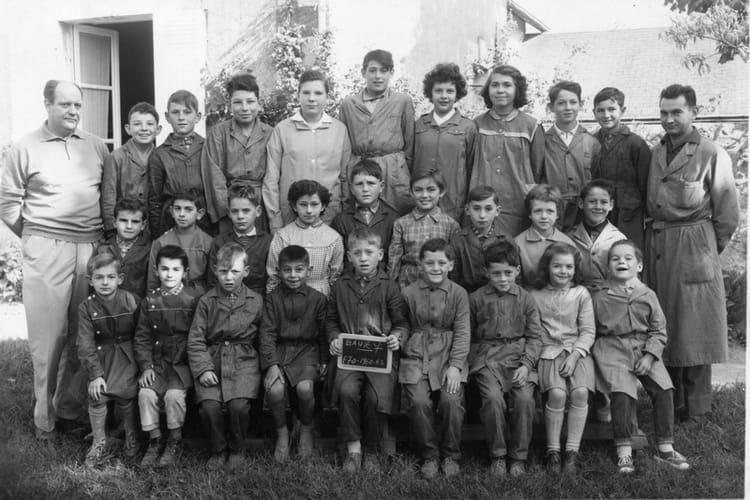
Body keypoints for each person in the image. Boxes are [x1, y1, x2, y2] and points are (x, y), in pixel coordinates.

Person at [0, 79, 109, 440]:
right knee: (48, 339)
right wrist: (36, 238)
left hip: (89, 248)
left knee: (82, 336)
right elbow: (8, 204)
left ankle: (68, 410)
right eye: (65, 104)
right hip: (46, 248)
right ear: (47, 105)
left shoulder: (95, 146)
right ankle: (44, 421)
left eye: (78, 104)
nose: (73, 111)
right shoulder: (25, 147)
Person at [646, 84, 739, 421]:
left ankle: (697, 408)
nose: (669, 119)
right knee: (665, 323)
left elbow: (727, 215)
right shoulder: (657, 151)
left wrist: (706, 249)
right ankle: (671, 401)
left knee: (695, 328)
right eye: (664, 112)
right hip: (659, 246)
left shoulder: (711, 153)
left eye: (677, 112)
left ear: (694, 113)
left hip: (694, 246)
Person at [592, 240, 690, 474]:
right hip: (612, 349)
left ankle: (665, 447)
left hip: (644, 348)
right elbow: (591, 329)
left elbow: (658, 330)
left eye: (628, 258)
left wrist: (649, 356)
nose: (621, 262)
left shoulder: (648, 295)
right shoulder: (599, 296)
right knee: (622, 393)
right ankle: (624, 450)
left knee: (664, 389)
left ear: (639, 266)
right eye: (615, 259)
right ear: (608, 267)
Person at [326, 228, 408, 472]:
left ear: (380, 255)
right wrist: (334, 338)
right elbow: (331, 320)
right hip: (349, 357)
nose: (363, 258)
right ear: (349, 256)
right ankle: (353, 449)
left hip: (379, 357)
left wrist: (396, 337)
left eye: (369, 252)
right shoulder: (340, 286)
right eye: (357, 253)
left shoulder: (389, 286)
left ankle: (372, 449)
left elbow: (401, 322)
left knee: (375, 397)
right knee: (347, 391)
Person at [468, 240, 542, 478]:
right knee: (492, 400)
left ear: (517, 271)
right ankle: (498, 455)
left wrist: (527, 365)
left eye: (508, 273)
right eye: (496, 273)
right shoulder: (476, 298)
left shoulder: (526, 299)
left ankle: (519, 456)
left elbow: (535, 337)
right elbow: (468, 335)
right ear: (486, 272)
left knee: (524, 400)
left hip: (519, 358)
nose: (502, 279)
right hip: (487, 359)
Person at [188, 242, 263, 471]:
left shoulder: (256, 300)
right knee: (209, 406)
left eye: (235, 272)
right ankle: (218, 449)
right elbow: (196, 339)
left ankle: (237, 448)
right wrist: (204, 369)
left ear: (246, 272)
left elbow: (264, 336)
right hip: (213, 358)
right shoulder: (207, 301)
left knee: (238, 406)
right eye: (223, 271)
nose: (228, 277)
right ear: (215, 271)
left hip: (244, 360)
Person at [400, 238, 470, 478]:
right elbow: (402, 325)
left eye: (442, 263)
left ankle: (451, 454)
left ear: (451, 265)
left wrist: (455, 366)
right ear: (420, 265)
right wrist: (398, 340)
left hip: (448, 355)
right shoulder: (408, 293)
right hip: (416, 354)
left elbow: (463, 331)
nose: (436, 268)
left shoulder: (459, 293)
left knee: (451, 401)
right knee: (419, 402)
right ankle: (429, 454)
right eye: (430, 263)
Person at [530, 243, 595, 474]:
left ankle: (572, 451)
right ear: (547, 267)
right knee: (557, 394)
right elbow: (535, 332)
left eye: (568, 266)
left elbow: (588, 330)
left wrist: (575, 355)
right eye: (557, 266)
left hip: (577, 351)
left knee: (580, 392)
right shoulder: (535, 296)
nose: (563, 271)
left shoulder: (581, 294)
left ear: (575, 269)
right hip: (548, 351)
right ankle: (553, 451)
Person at [259, 245, 328, 462]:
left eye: (299, 269)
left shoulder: (318, 299)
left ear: (309, 270)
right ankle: (282, 433)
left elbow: (324, 334)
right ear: (279, 271)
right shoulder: (272, 298)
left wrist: (324, 360)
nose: (293, 275)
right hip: (280, 351)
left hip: (307, 351)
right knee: (275, 390)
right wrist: (271, 365)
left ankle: (306, 428)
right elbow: (267, 334)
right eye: (287, 270)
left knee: (305, 389)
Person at [134, 245, 201, 468]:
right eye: (164, 269)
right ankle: (155, 439)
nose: (169, 274)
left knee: (173, 396)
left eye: (175, 269)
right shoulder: (150, 301)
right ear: (156, 270)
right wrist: (146, 366)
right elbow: (142, 337)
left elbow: (199, 335)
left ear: (185, 272)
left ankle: (174, 440)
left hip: (182, 361)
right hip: (158, 361)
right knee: (145, 393)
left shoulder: (193, 299)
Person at [263, 70, 351, 231]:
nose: (311, 98)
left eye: (318, 93)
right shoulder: (282, 130)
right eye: (306, 93)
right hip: (291, 216)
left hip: (330, 217)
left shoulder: (339, 130)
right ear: (298, 95)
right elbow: (271, 179)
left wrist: (345, 215)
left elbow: (345, 177)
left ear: (327, 97)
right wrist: (275, 219)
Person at [77, 252, 139, 466]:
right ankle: (99, 440)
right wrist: (95, 374)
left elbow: (141, 333)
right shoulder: (86, 307)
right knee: (97, 394)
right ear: (90, 281)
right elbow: (84, 343)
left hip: (127, 355)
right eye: (99, 277)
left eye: (111, 277)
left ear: (120, 279)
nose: (105, 282)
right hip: (101, 355)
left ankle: (131, 435)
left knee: (127, 393)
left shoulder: (130, 300)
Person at [469, 65, 545, 237]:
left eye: (507, 85)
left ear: (517, 89)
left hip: (518, 206)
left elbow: (538, 170)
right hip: (482, 206)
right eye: (495, 85)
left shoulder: (531, 126)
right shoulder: (476, 124)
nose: (500, 90)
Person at [338, 49, 415, 215]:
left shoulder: (402, 101)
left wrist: (403, 170)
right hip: (361, 170)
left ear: (391, 73)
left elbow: (410, 142)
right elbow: (343, 146)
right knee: (362, 217)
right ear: (363, 72)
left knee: (396, 215)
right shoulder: (349, 105)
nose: (378, 76)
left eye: (383, 70)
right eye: (372, 70)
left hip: (393, 171)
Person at [202, 72, 273, 232]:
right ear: (230, 104)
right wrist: (228, 210)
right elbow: (214, 177)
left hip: (261, 205)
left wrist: (271, 210)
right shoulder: (218, 133)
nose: (245, 108)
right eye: (238, 102)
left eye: (250, 101)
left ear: (259, 103)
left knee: (260, 244)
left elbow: (275, 176)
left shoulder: (270, 133)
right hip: (230, 205)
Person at [412, 63, 477, 221]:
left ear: (457, 93)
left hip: (453, 204)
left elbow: (472, 168)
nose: (444, 96)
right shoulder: (418, 125)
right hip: (422, 202)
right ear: (430, 93)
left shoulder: (467, 127)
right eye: (438, 90)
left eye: (450, 91)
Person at [591, 87, 651, 250]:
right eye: (601, 110)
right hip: (600, 208)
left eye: (612, 109)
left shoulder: (635, 143)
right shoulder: (591, 142)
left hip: (629, 212)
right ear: (594, 113)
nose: (606, 115)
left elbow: (646, 183)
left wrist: (647, 215)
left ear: (622, 111)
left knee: (628, 251)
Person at [149, 89, 211, 237]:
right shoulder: (159, 154)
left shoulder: (209, 147)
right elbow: (154, 199)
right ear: (167, 117)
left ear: (197, 117)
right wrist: (157, 234)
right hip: (170, 221)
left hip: (204, 220)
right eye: (175, 112)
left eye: (187, 112)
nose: (181, 117)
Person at [266, 180, 344, 296]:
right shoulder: (283, 236)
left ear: (323, 206)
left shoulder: (333, 238)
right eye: (303, 204)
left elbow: (335, 275)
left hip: (322, 295)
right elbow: (274, 274)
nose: (309, 210)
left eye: (314, 204)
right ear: (294, 206)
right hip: (288, 296)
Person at [542, 80, 601, 231]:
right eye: (561, 103)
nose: (568, 108)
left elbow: (596, 177)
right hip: (551, 213)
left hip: (583, 213)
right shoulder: (542, 142)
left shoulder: (591, 142)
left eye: (573, 102)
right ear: (551, 107)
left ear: (580, 105)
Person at [388, 171, 460, 288]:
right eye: (418, 190)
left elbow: (454, 261)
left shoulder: (451, 225)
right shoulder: (401, 224)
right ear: (411, 192)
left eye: (431, 190)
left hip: (440, 285)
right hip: (408, 283)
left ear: (441, 192)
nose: (424, 195)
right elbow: (394, 259)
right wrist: (391, 287)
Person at [102, 102, 161, 236]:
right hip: (123, 229)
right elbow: (108, 199)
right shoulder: (116, 157)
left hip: (152, 230)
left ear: (158, 129)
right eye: (137, 124)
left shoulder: (162, 157)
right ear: (128, 129)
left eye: (150, 124)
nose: (144, 129)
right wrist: (111, 231)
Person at [330, 159, 399, 273]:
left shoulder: (393, 218)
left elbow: (394, 257)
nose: (365, 189)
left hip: (383, 278)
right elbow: (338, 259)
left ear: (381, 186)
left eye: (371, 183)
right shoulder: (341, 221)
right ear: (352, 189)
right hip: (351, 278)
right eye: (359, 184)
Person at [207, 182, 272, 296]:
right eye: (235, 211)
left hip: (259, 298)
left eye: (246, 211)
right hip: (226, 298)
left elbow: (272, 278)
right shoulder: (220, 242)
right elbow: (213, 280)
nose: (240, 216)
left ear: (258, 211)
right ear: (229, 213)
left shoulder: (267, 241)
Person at [147, 189, 213, 294]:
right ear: (171, 211)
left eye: (188, 209)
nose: (182, 214)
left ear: (200, 214)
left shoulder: (208, 243)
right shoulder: (161, 242)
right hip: (168, 296)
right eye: (177, 209)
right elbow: (152, 282)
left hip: (200, 296)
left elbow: (212, 281)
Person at [566, 179, 626, 292]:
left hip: (610, 296)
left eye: (604, 202)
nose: (598, 207)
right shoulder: (569, 237)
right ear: (581, 203)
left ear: (611, 205)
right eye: (592, 201)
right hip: (576, 295)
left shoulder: (619, 239)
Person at [450, 185, 512, 293]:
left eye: (488, 209)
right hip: (466, 295)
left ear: (497, 211)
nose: (482, 215)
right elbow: (452, 278)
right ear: (467, 210)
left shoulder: (506, 240)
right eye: (476, 208)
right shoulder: (458, 241)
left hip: (499, 295)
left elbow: (515, 277)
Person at [514, 184, 574, 286]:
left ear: (557, 214)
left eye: (550, 211)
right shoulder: (518, 244)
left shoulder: (568, 243)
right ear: (529, 214)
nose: (544, 216)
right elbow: (516, 282)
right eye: (538, 211)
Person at [96, 197, 151, 300]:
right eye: (123, 220)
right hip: (106, 305)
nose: (129, 226)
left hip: (137, 306)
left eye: (135, 221)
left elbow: (151, 285)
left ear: (143, 225)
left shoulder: (149, 250)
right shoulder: (103, 249)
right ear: (114, 222)